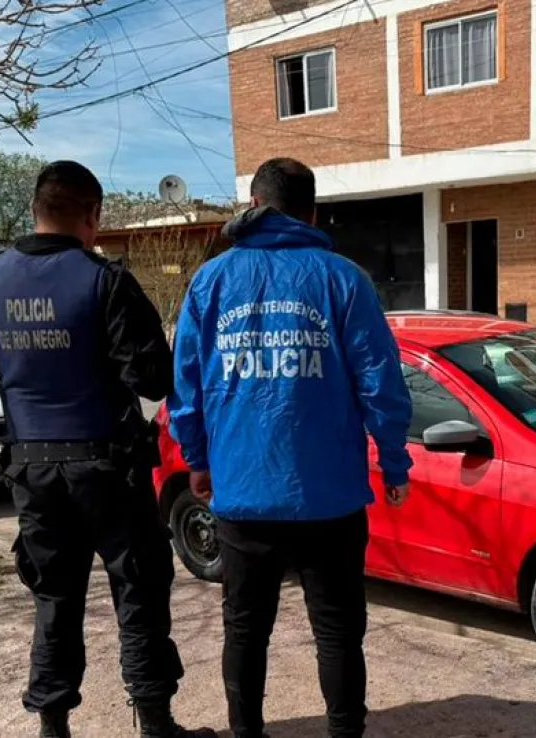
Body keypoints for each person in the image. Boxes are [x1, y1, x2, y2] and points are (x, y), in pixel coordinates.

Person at [0, 161, 215, 738]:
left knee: (55, 599)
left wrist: (11, 360)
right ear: (93, 215)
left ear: (35, 208)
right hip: (110, 469)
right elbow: (153, 379)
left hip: (32, 469)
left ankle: (53, 728)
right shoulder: (105, 280)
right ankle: (156, 725)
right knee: (139, 595)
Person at [169, 157, 413, 738]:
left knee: (246, 629)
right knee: (337, 630)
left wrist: (197, 460)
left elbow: (188, 385)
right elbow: (381, 381)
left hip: (243, 495)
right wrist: (395, 461)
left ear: (253, 206)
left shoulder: (212, 281)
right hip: (330, 497)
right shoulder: (342, 279)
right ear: (312, 212)